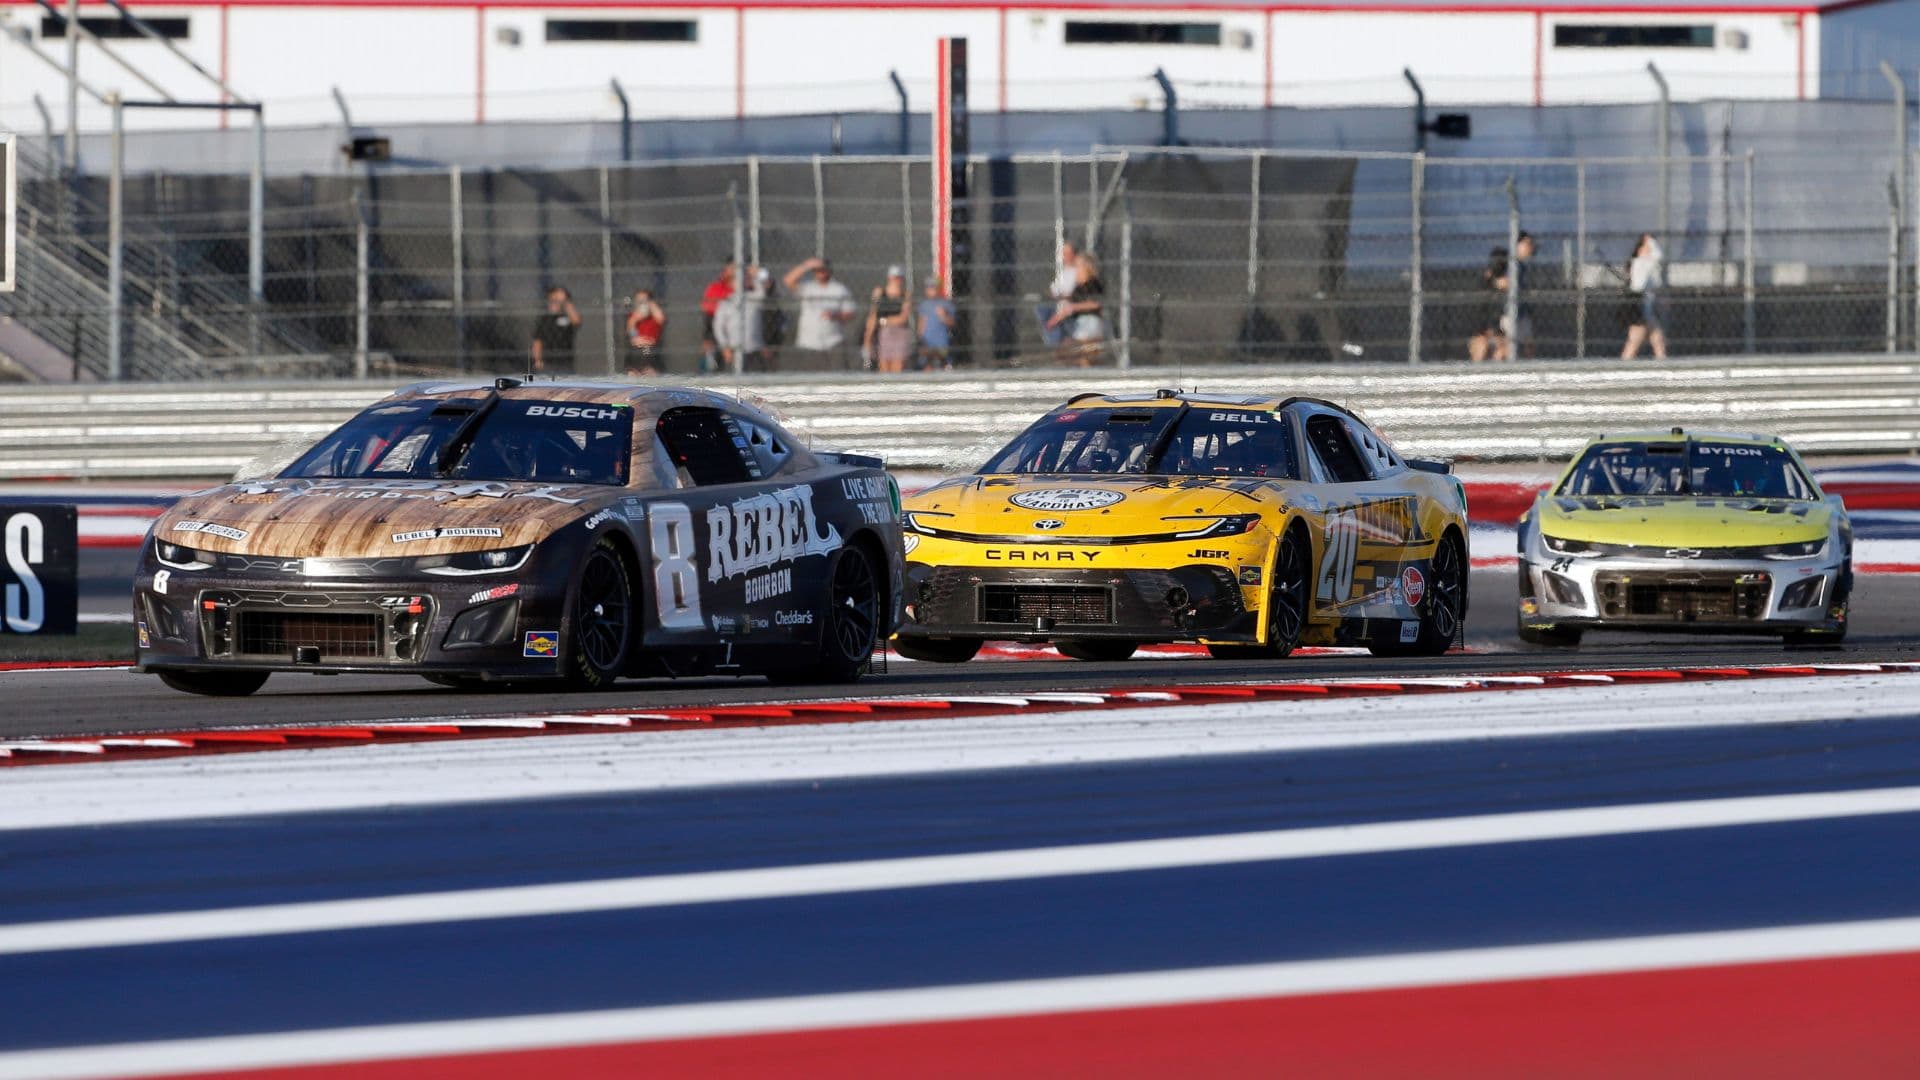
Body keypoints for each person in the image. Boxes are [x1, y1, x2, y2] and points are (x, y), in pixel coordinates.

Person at [783, 257, 859, 370]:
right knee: (812, 380)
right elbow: (788, 281)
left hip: (833, 342)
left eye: (823, 269)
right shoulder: (808, 288)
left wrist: (835, 316)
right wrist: (807, 265)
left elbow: (851, 313)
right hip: (809, 343)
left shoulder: (839, 289)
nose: (820, 273)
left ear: (829, 270)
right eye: (817, 270)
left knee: (837, 378)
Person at [1046, 251, 1105, 366]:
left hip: (1090, 322)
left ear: (1087, 267)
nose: (1076, 269)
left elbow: (1095, 303)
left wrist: (1074, 306)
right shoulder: (1077, 287)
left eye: (1078, 266)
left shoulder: (1093, 283)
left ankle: (1088, 374)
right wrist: (1055, 319)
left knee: (1085, 356)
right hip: (1078, 323)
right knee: (1071, 353)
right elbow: (1069, 307)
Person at [1621, 233, 1669, 360]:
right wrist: (1649, 240)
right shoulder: (1640, 262)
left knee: (1656, 336)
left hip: (1646, 304)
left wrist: (1650, 240)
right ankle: (1624, 365)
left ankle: (1662, 360)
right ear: (1640, 249)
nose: (1652, 249)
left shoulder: (1647, 264)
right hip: (1639, 304)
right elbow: (1658, 256)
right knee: (1636, 338)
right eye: (1649, 246)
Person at [713, 267, 769, 373]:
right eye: (736, 280)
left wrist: (755, 276)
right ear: (731, 284)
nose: (739, 283)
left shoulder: (753, 297)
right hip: (734, 349)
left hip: (754, 348)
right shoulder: (726, 302)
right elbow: (718, 327)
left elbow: (762, 292)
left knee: (758, 382)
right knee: (734, 383)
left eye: (743, 279)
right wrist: (725, 347)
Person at [864, 266, 916, 374]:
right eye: (894, 277)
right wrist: (867, 338)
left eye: (899, 277)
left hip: (900, 334)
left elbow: (902, 319)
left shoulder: (906, 295)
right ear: (889, 278)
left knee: (897, 368)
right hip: (884, 335)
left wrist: (882, 321)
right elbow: (873, 316)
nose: (897, 280)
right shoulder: (879, 292)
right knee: (884, 368)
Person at [1034, 240, 1079, 347]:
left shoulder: (1078, 272)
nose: (1065, 256)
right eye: (1063, 253)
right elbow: (1054, 289)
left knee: (1049, 316)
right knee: (1041, 308)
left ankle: (1056, 343)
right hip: (1058, 302)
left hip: (1069, 306)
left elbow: (1074, 294)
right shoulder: (1064, 271)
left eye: (1068, 253)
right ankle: (1056, 341)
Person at [530, 285, 580, 374]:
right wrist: (538, 360)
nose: (557, 302)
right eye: (554, 299)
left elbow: (577, 321)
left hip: (566, 363)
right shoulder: (544, 318)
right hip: (547, 363)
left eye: (560, 299)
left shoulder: (567, 316)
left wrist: (565, 302)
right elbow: (537, 341)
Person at [698, 262, 735, 374]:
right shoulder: (716, 287)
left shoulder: (743, 288)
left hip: (735, 328)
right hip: (715, 325)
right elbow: (708, 312)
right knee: (711, 358)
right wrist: (708, 338)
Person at [916, 276, 957, 371]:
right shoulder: (923, 305)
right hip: (927, 343)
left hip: (942, 343)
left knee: (943, 366)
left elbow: (953, 323)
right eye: (928, 287)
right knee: (927, 365)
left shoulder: (946, 304)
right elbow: (921, 324)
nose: (931, 290)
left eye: (933, 287)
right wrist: (920, 339)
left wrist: (944, 317)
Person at [624, 288, 667, 377]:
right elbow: (630, 330)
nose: (641, 304)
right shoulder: (633, 316)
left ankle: (649, 372)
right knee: (633, 354)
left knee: (647, 354)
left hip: (649, 349)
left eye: (644, 301)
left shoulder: (654, 317)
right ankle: (633, 372)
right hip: (636, 349)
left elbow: (661, 319)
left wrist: (650, 305)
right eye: (638, 301)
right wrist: (635, 319)